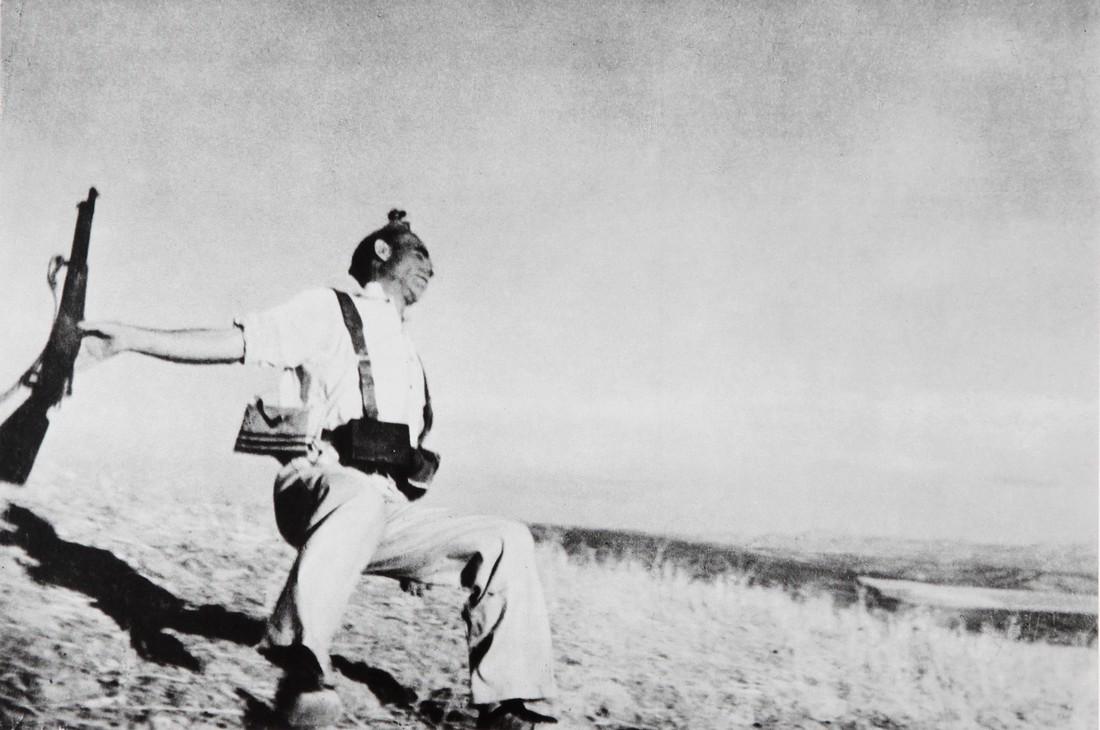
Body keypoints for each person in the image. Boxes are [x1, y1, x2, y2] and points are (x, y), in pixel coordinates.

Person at [79, 210, 560, 729]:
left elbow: (405, 463)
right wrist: (130, 338)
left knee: (506, 538)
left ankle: (510, 708)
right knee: (358, 496)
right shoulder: (329, 309)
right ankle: (300, 662)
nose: (431, 268)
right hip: (315, 484)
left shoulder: (411, 357)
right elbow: (236, 343)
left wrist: (423, 553)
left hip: (380, 509)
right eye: (420, 254)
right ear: (382, 252)